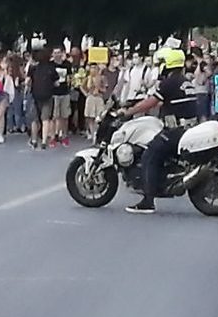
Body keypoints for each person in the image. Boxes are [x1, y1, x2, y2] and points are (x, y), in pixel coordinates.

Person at [119, 48, 199, 214]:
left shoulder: (169, 82)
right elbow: (164, 101)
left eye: (162, 63)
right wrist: (135, 102)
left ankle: (148, 201)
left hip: (176, 130)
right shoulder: (185, 82)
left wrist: (129, 112)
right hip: (188, 128)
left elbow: (152, 102)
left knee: (150, 154)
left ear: (168, 64)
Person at [28, 48, 58, 149]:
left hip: (35, 95)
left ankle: (34, 140)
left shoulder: (33, 68)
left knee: (35, 119)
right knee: (45, 119)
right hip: (48, 95)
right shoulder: (51, 68)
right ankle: (44, 141)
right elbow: (56, 82)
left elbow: (28, 80)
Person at [50, 47, 72, 147]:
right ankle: (53, 137)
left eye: (59, 52)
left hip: (65, 92)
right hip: (53, 93)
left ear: (62, 53)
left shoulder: (67, 64)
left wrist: (70, 83)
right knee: (54, 117)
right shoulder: (50, 65)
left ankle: (64, 136)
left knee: (65, 116)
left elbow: (70, 77)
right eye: (55, 52)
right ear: (52, 54)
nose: (57, 54)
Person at [84, 63, 106, 140]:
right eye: (91, 68)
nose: (93, 69)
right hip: (90, 97)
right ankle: (92, 132)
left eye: (95, 68)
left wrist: (99, 88)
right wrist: (86, 94)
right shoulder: (88, 78)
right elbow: (82, 86)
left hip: (99, 98)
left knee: (99, 116)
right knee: (90, 117)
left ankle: (97, 133)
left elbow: (105, 89)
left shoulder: (102, 78)